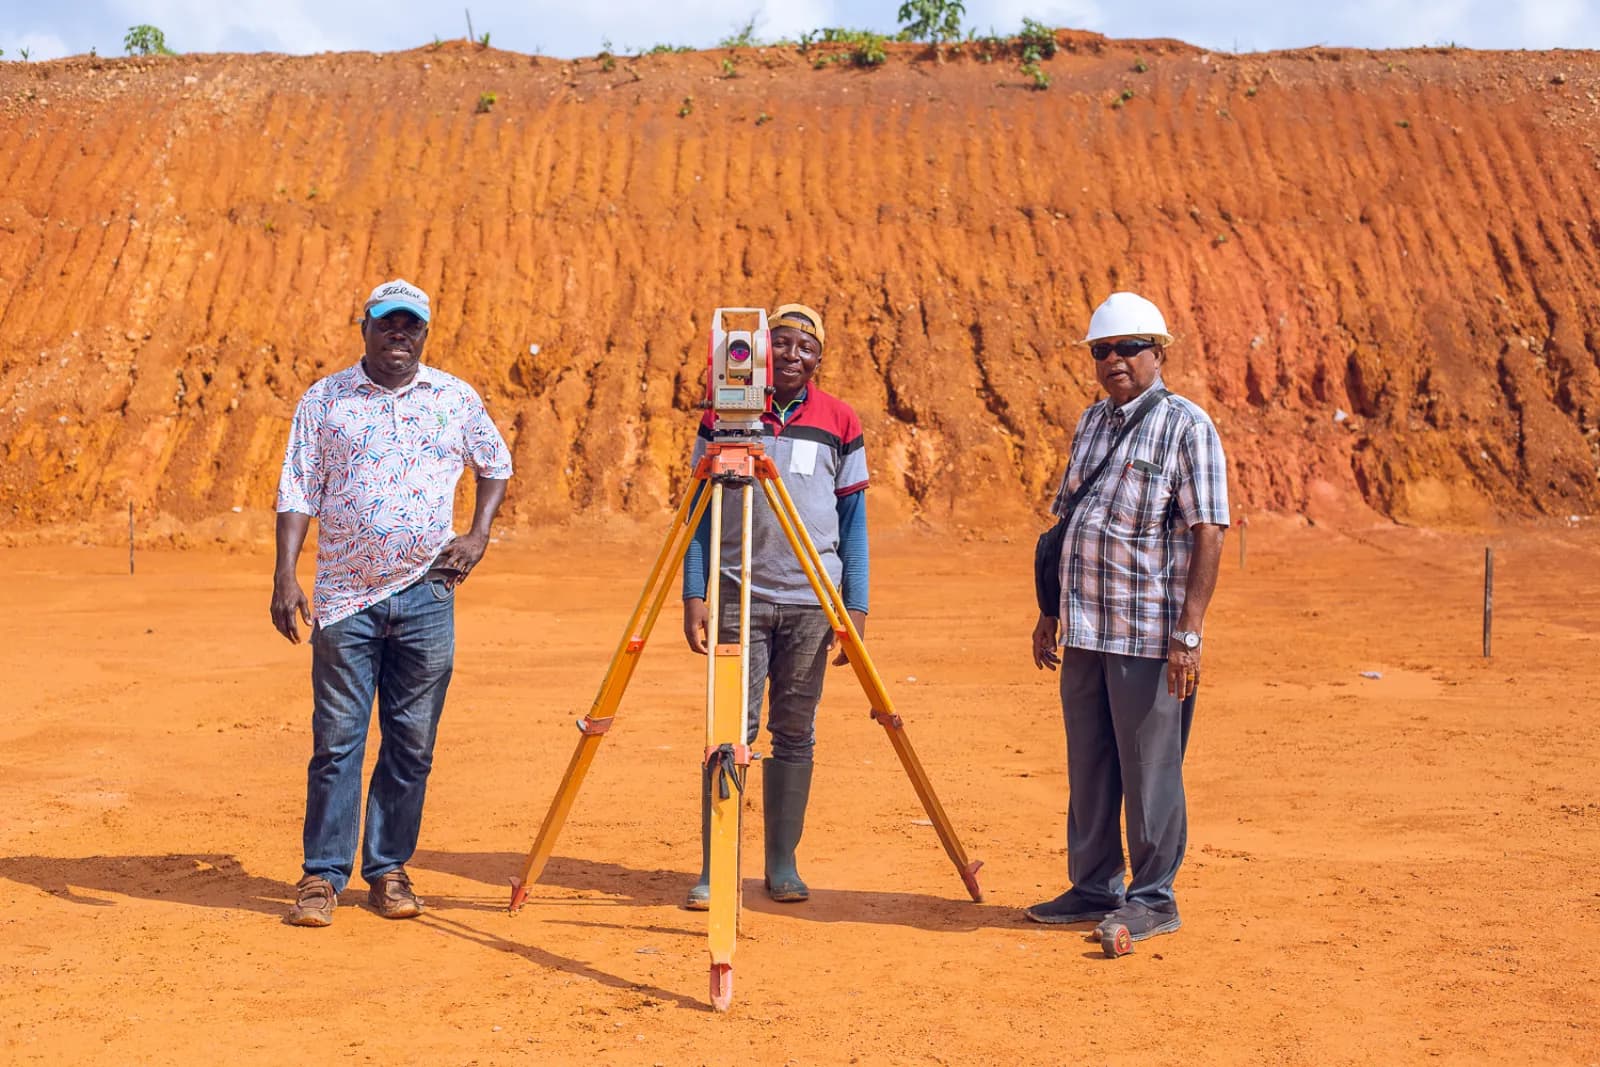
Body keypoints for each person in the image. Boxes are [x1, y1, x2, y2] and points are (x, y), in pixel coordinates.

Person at [271, 279, 513, 927]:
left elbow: (496, 463)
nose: (398, 334)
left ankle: (387, 869)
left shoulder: (455, 398)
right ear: (366, 329)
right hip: (345, 600)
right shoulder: (325, 400)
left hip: (428, 595)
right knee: (338, 742)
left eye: (411, 324)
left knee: (411, 743)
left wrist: (479, 534)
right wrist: (284, 574)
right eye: (387, 323)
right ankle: (321, 876)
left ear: (425, 334)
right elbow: (297, 488)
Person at [1026, 291, 1228, 947]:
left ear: (1158, 353)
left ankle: (1152, 896)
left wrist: (1188, 632)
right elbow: (1068, 521)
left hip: (1147, 633)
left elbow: (1209, 532)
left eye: (1128, 348)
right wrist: (1047, 610)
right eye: (1102, 351)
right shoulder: (1092, 423)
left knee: (1150, 768)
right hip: (1084, 627)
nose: (1114, 360)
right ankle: (1092, 885)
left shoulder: (1187, 427)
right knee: (1089, 764)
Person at [679, 303, 869, 909]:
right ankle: (718, 866)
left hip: (814, 600)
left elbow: (854, 521)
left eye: (804, 347)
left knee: (795, 731)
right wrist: (693, 592)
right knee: (728, 731)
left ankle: (781, 864)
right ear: (759, 350)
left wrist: (855, 605)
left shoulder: (840, 420)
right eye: (780, 344)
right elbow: (698, 512)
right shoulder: (725, 418)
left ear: (820, 357)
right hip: (741, 593)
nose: (792, 356)